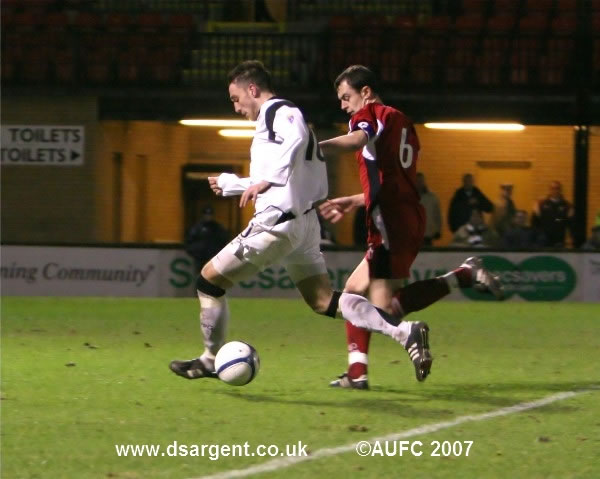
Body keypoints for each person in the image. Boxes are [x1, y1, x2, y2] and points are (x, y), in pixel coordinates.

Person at [169, 61, 431, 383]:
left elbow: (291, 144)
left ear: (252, 89)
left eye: (236, 99)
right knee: (323, 300)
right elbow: (291, 171)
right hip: (301, 223)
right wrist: (234, 184)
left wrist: (268, 180)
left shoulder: (278, 111)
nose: (236, 107)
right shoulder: (279, 122)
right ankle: (405, 331)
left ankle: (210, 359)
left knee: (209, 282)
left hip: (276, 224)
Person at [318, 65, 504, 389]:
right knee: (365, 299)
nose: (343, 105)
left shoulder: (370, 114)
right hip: (406, 215)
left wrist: (312, 149)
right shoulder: (402, 121)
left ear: (366, 92)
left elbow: (357, 138)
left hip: (389, 219)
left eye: (346, 97)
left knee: (366, 305)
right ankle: (358, 372)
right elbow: (394, 180)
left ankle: (458, 281)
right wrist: (355, 200)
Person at [184, 205, 230, 273]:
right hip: (200, 259)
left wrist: (218, 253)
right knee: (200, 275)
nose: (208, 216)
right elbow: (189, 242)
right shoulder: (197, 228)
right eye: (206, 214)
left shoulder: (217, 227)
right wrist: (196, 253)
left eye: (209, 214)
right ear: (203, 215)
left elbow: (224, 240)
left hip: (213, 258)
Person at [532, 180, 574, 247]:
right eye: (552, 188)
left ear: (560, 190)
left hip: (559, 238)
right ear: (549, 190)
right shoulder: (541, 204)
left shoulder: (567, 205)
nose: (555, 191)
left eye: (557, 188)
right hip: (544, 238)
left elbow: (569, 222)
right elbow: (535, 222)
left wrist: (571, 237)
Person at [416, 172, 442, 246]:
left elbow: (437, 215)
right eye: (417, 181)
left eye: (421, 181)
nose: (419, 183)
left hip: (427, 234)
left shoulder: (432, 197)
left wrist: (438, 230)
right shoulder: (407, 197)